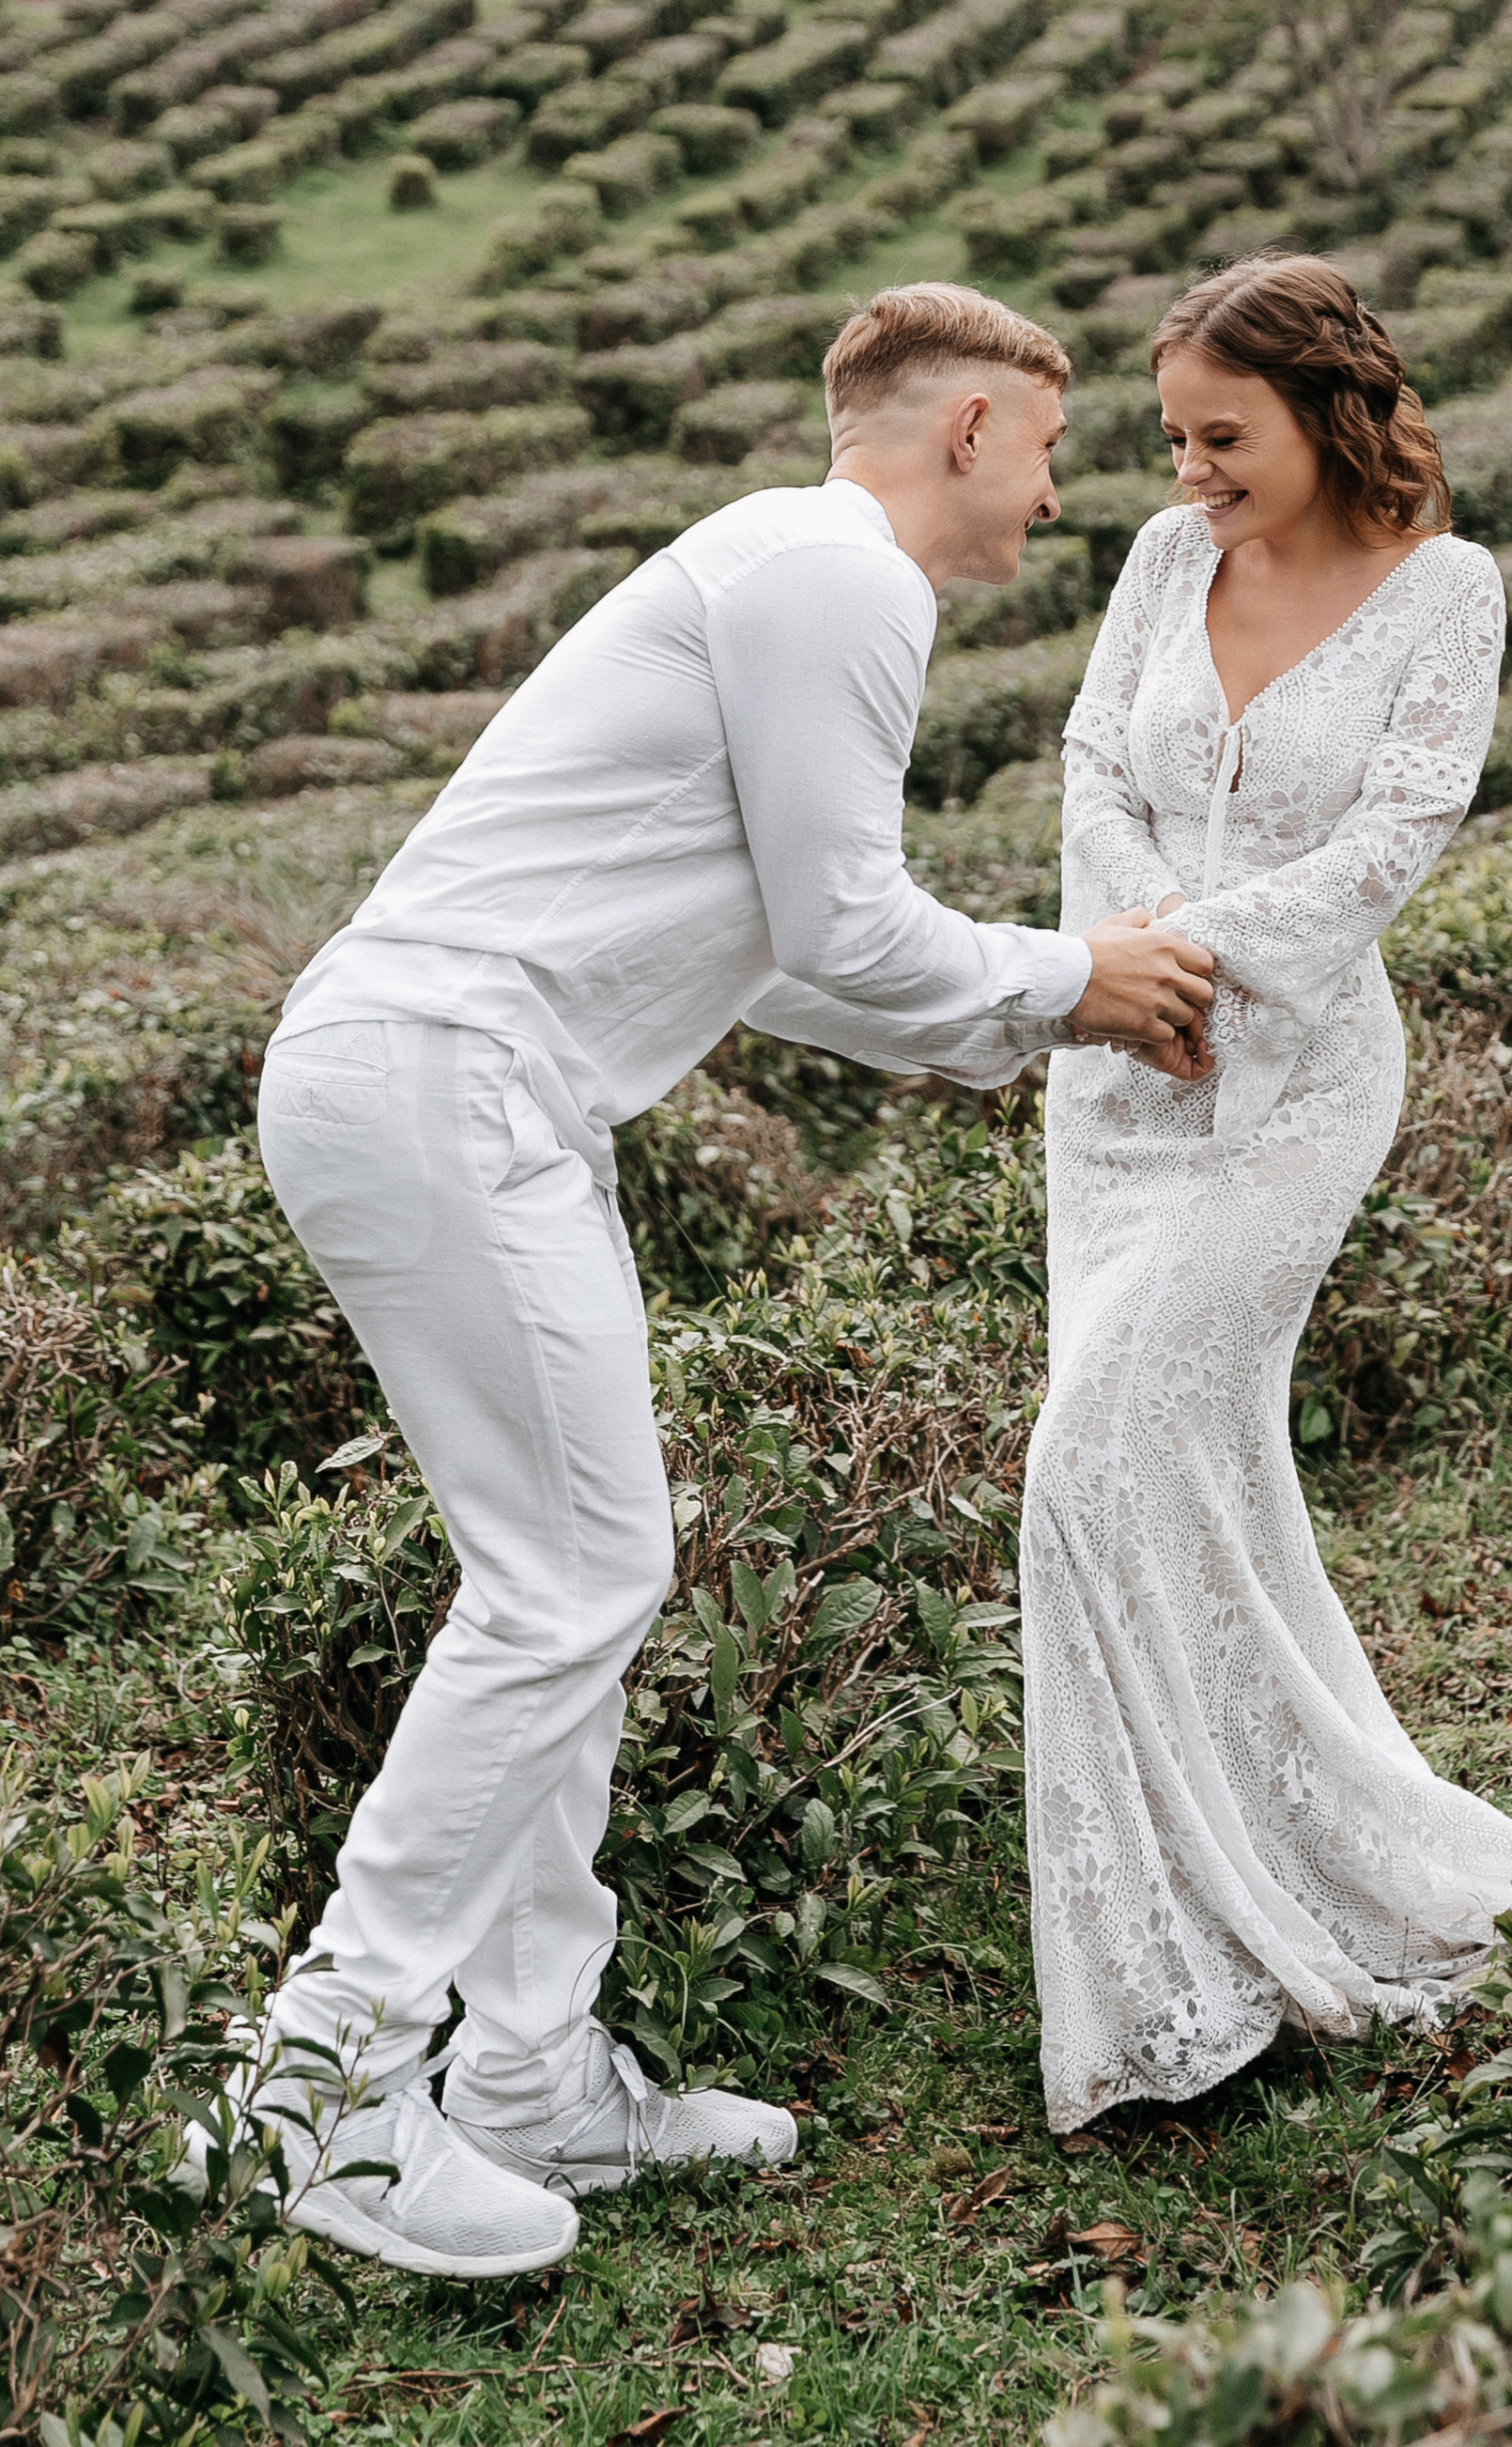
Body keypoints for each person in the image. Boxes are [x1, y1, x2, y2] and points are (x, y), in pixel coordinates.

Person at [213, 283, 1215, 2281]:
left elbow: (788, 958)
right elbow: (847, 921)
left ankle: (526, 2079)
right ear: (965, 427)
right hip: (449, 1078)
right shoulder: (837, 577)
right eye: (1047, 446)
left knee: (564, 1582)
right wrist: (1068, 974)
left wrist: (1042, 1013)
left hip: (456, 1086)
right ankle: (318, 2086)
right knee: (571, 1583)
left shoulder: (777, 570)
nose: (1055, 492)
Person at [1022, 254, 1512, 2135]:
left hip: (1295, 1089)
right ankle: (1179, 1943)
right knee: (1178, 1471)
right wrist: (1124, 958)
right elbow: (1089, 761)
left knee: (1084, 1465)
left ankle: (1200, 1953)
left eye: (1221, 436)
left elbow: (1401, 831)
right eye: (1173, 438)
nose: (1190, 472)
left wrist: (1196, 958)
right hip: (1117, 1084)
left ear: (1325, 412)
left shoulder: (1445, 589)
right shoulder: (1165, 561)